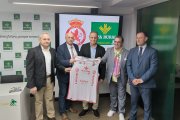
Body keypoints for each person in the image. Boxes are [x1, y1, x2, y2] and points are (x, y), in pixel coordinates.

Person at [127, 32, 158, 120]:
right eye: (137, 37)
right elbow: (128, 65)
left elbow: (153, 68)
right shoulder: (132, 50)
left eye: (140, 37)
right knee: (133, 102)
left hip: (146, 83)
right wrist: (132, 78)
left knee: (147, 104)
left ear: (146, 38)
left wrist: (142, 79)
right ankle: (132, 117)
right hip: (133, 83)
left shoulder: (152, 51)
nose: (138, 39)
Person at [26, 32, 56, 120]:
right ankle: (39, 118)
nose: (47, 41)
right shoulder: (33, 51)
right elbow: (29, 69)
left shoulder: (53, 51)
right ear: (40, 40)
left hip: (50, 79)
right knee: (38, 101)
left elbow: (56, 64)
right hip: (38, 81)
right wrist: (32, 85)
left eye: (48, 39)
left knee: (50, 99)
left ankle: (51, 115)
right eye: (44, 39)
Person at [78, 31, 106, 118]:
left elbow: (103, 64)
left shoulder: (101, 49)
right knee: (85, 91)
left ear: (97, 38)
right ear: (89, 38)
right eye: (91, 37)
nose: (93, 39)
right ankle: (85, 107)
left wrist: (102, 76)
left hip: (96, 75)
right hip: (85, 74)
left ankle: (95, 108)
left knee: (95, 92)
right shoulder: (84, 47)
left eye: (95, 37)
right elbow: (80, 60)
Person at [101, 36, 129, 120]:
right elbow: (103, 60)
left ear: (122, 43)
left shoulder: (127, 52)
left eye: (118, 42)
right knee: (113, 95)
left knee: (121, 96)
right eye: (115, 41)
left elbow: (129, 66)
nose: (116, 43)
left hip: (122, 78)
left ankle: (121, 112)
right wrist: (98, 60)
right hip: (111, 78)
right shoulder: (109, 50)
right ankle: (113, 109)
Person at [56, 32, 79, 120]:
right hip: (64, 74)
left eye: (72, 37)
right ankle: (62, 112)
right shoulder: (60, 48)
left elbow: (78, 58)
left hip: (74, 75)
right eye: (69, 37)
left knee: (70, 92)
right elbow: (60, 61)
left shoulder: (76, 46)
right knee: (63, 93)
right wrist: (70, 61)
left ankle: (68, 107)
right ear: (65, 38)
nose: (70, 39)